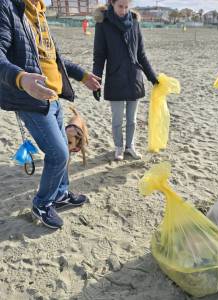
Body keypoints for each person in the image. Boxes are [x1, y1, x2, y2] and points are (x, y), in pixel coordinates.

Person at [0, 0, 101, 229]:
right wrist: (21, 78)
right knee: (58, 154)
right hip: (31, 99)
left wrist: (82, 75)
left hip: (53, 96)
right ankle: (42, 204)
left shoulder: (40, 12)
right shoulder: (8, 6)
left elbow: (53, 58)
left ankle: (61, 194)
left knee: (63, 150)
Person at [93, 0, 158, 161]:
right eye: (120, 6)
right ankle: (119, 148)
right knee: (117, 119)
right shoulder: (103, 24)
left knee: (132, 119)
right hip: (115, 78)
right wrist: (96, 81)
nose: (123, 10)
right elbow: (99, 57)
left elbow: (141, 54)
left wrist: (152, 77)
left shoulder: (135, 22)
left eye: (126, 6)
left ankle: (130, 147)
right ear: (112, 4)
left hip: (134, 78)